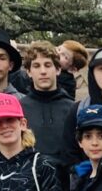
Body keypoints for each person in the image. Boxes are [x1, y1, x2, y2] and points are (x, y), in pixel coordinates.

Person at [19, 41, 77, 170]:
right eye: (36, 66)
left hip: (65, 183)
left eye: (48, 65)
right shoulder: (19, 109)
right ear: (28, 72)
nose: (43, 71)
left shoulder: (73, 109)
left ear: (57, 69)